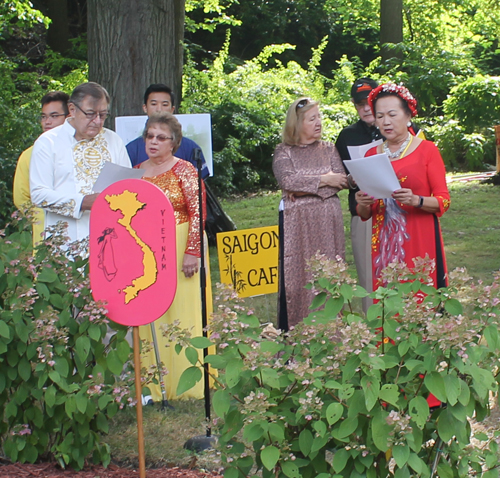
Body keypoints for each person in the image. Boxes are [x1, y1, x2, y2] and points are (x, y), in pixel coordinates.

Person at [136, 112, 212, 400]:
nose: (153, 141)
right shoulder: (136, 170)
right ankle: (154, 383)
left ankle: (187, 383)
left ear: (174, 143)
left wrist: (192, 251)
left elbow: (198, 213)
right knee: (152, 311)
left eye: (160, 137)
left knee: (182, 309)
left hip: (181, 243)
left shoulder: (185, 170)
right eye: (149, 136)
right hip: (147, 248)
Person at [355, 83, 450, 290]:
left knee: (421, 296)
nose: (386, 122)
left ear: (408, 115)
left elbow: (444, 201)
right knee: (389, 303)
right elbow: (365, 213)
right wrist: (362, 202)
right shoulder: (371, 155)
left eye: (392, 114)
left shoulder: (427, 150)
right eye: (379, 116)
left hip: (419, 236)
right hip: (384, 243)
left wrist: (417, 200)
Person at [273, 98, 348, 329]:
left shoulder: (328, 149)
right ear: (297, 123)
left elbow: (342, 180)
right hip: (298, 223)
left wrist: (304, 189)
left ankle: (332, 336)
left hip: (327, 220)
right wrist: (324, 179)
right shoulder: (284, 151)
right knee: (297, 278)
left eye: (319, 118)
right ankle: (298, 334)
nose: (318, 123)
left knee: (329, 274)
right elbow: (287, 180)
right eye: (312, 119)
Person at [30, 82, 131, 243]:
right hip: (65, 239)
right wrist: (82, 202)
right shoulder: (48, 142)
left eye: (103, 115)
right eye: (90, 114)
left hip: (110, 236)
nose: (97, 121)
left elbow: (129, 185)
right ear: (72, 110)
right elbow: (39, 195)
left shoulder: (113, 140)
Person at [335, 78, 383, 311]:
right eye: (359, 104)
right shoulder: (347, 136)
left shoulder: (400, 127)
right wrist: (351, 179)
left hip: (399, 208)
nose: (365, 108)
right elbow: (339, 176)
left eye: (369, 102)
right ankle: (373, 331)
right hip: (364, 211)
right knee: (368, 276)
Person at [13, 91, 70, 243]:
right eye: (43, 117)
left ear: (70, 116)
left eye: (54, 116)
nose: (47, 122)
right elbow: (21, 198)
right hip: (45, 235)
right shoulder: (28, 155)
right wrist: (42, 217)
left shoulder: (82, 151)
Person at [126, 83, 209, 179]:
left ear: (172, 109)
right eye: (153, 104)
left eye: (164, 104)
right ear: (145, 107)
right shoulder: (131, 149)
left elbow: (199, 187)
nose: (159, 109)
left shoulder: (190, 148)